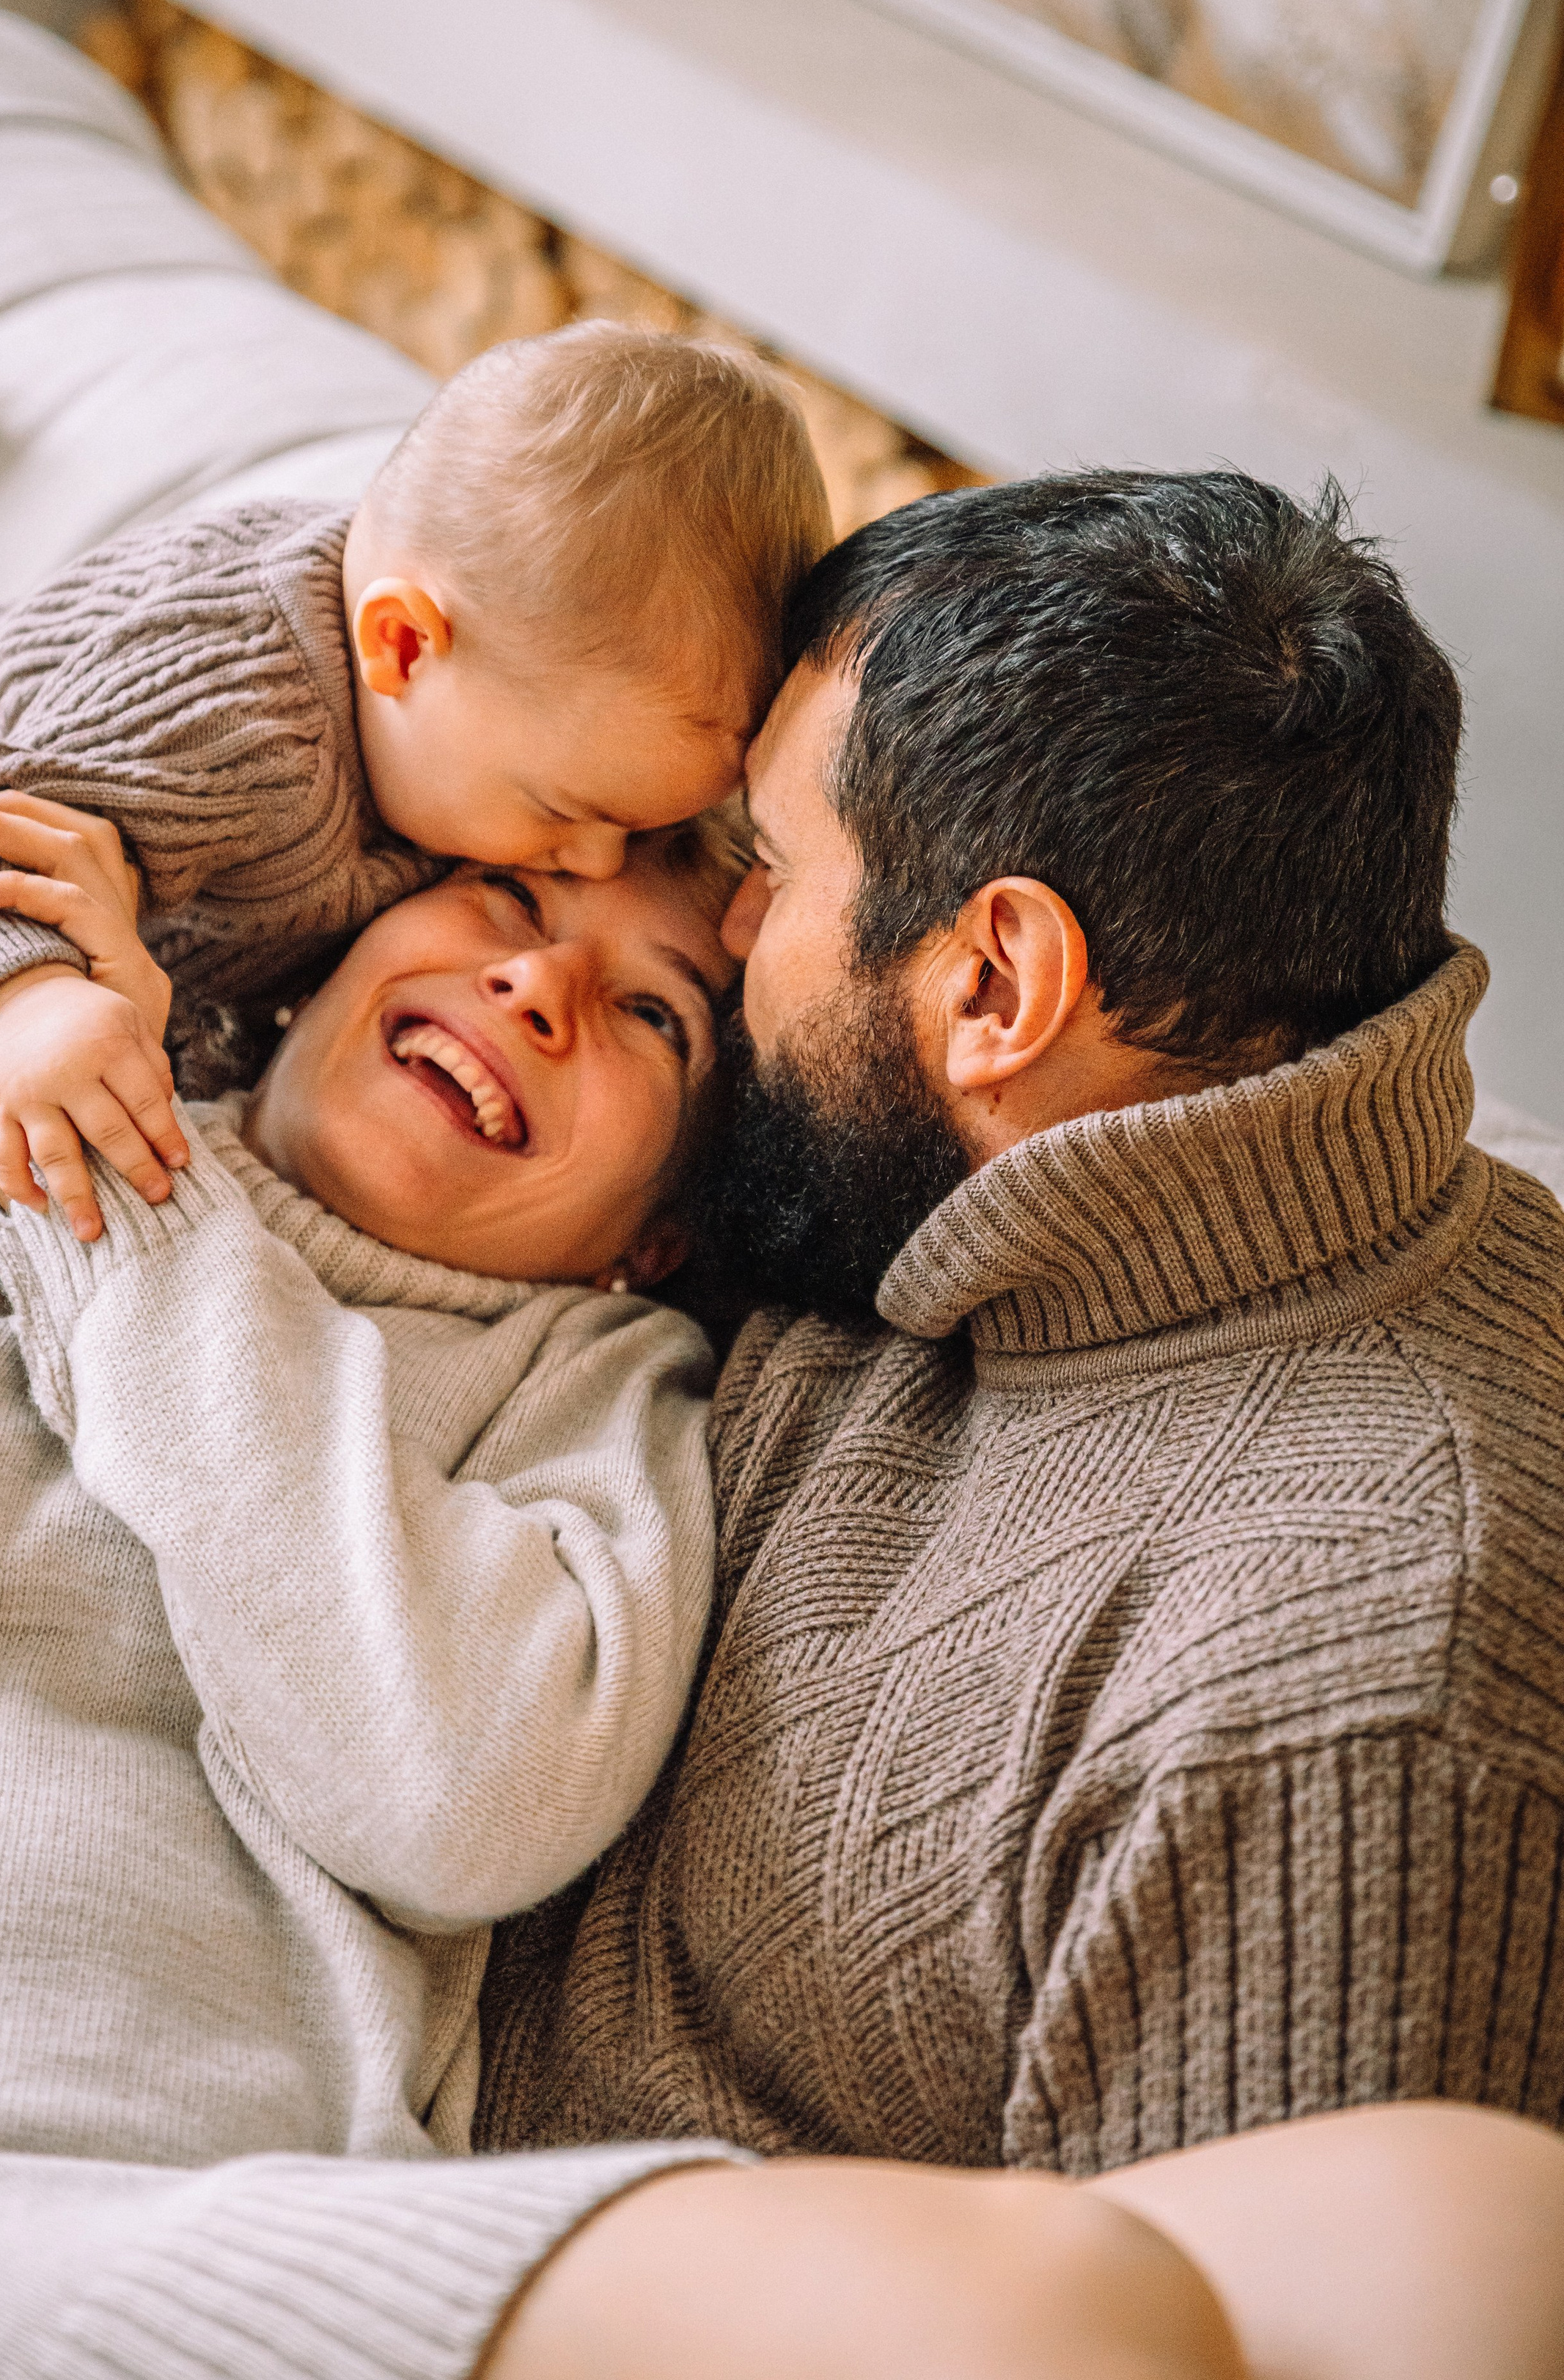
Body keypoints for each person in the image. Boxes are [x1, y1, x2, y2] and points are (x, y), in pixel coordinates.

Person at [0, 825, 1564, 2380]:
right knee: (1058, 2324)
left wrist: (113, 1187)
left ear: (654, 1231)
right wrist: (40, 1103)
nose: (536, 985)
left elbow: (455, 1788)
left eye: (653, 1014)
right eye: (503, 902)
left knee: (1471, 2234)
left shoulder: (589, 1400)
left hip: (122, 2190)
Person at [476, 468, 1564, 2181]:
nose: (718, 927)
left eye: (768, 868)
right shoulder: (928, 1174)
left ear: (993, 986)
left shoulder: (1342, 1720)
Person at [0, 320, 832, 1249]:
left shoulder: (474, 716)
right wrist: (30, 1009)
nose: (586, 862)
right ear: (401, 648)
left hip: (76, 999)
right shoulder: (240, 713)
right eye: (570, 816)